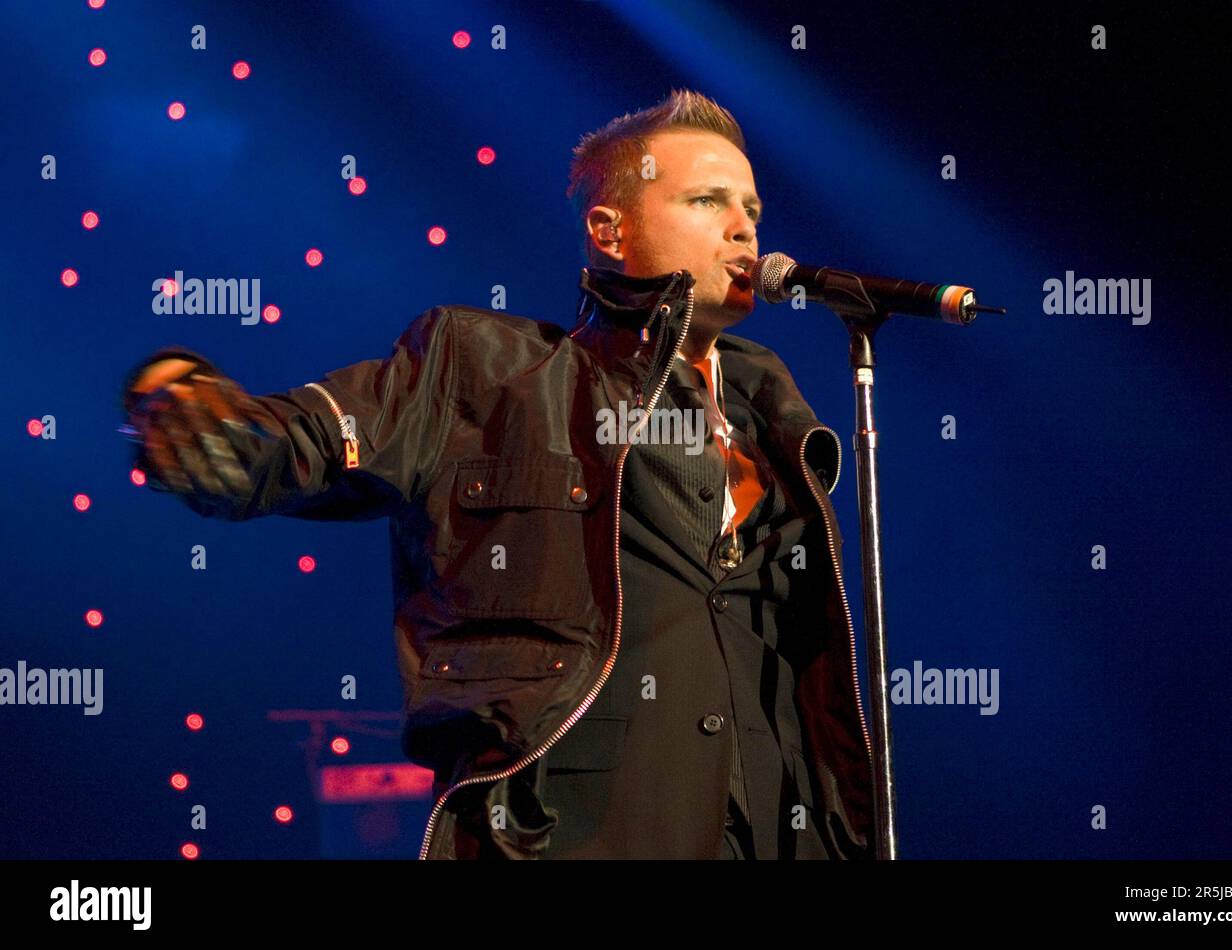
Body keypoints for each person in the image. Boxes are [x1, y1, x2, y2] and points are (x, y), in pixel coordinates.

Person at [122, 89, 876, 860]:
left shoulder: (780, 424)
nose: (743, 225)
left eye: (749, 204)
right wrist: (200, 418)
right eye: (707, 199)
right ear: (609, 232)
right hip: (580, 835)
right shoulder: (487, 372)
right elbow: (306, 440)